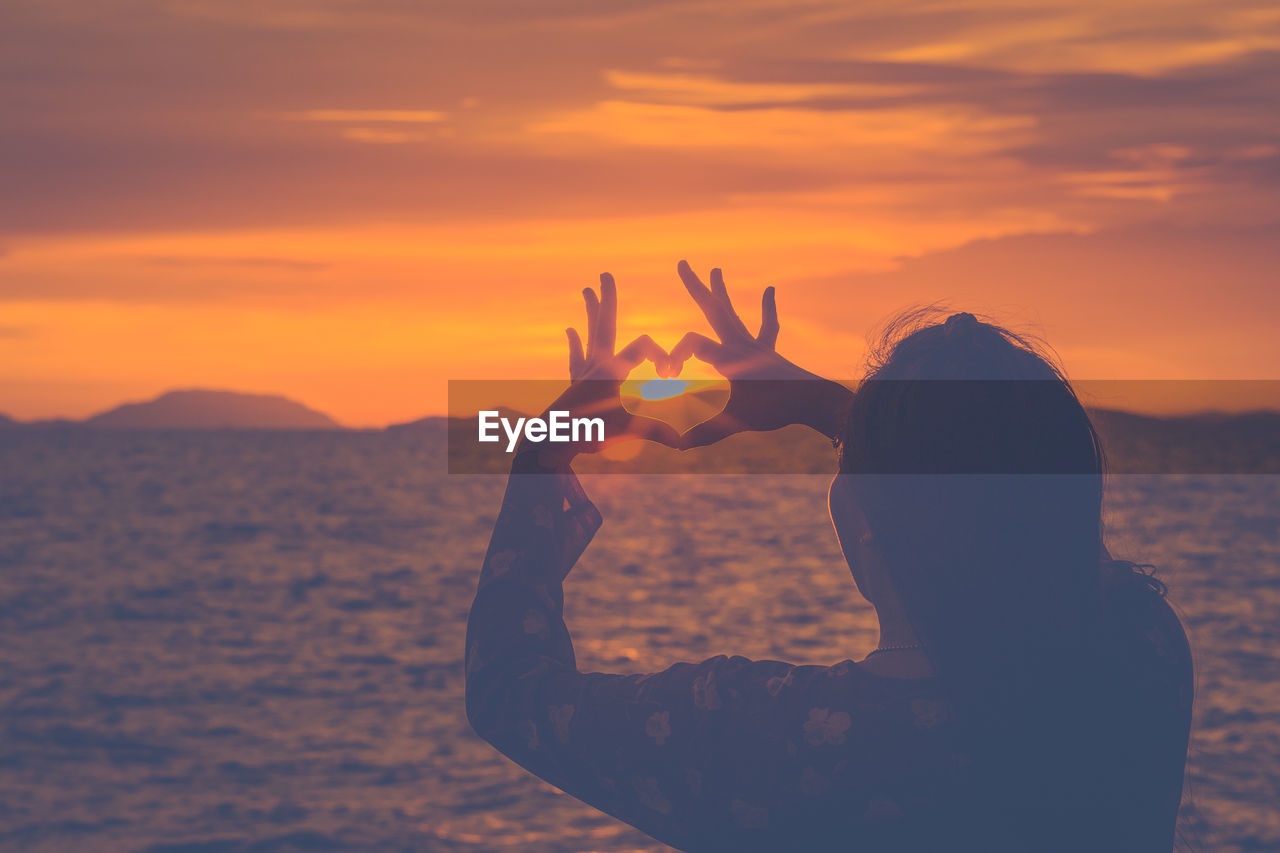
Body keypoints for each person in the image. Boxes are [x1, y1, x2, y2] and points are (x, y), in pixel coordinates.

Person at [464, 261, 1194, 852]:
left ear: (861, 520)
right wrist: (830, 409)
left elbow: (510, 689)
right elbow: (974, 486)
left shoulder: (774, 740)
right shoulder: (1138, 656)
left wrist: (545, 448)